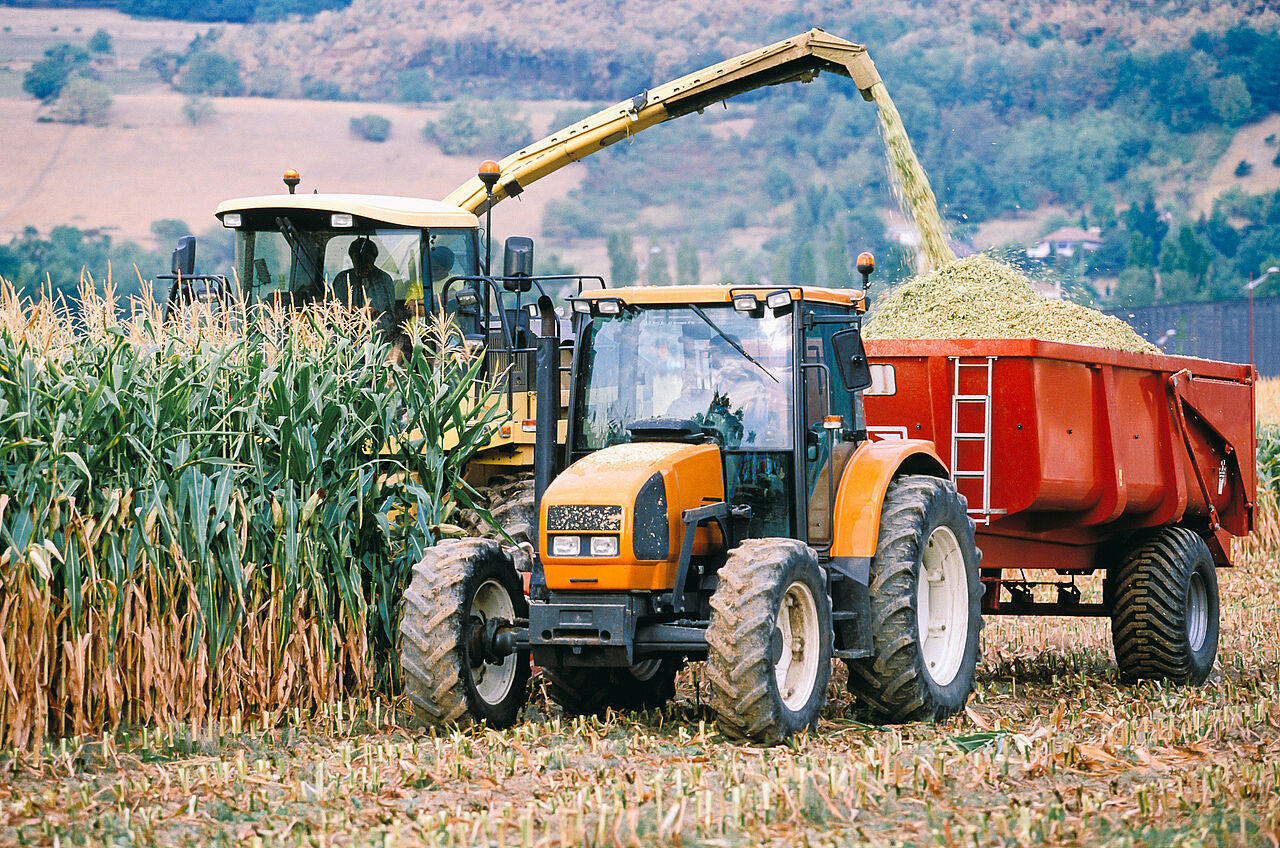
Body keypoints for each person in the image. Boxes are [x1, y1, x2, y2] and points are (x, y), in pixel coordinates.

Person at [333, 237, 396, 340]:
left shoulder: (384, 280)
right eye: (358, 260)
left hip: (377, 336)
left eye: (366, 261)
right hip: (347, 337)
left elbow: (391, 317)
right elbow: (333, 311)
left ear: (373, 259)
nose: (362, 265)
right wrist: (349, 311)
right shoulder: (342, 279)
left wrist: (374, 313)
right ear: (352, 259)